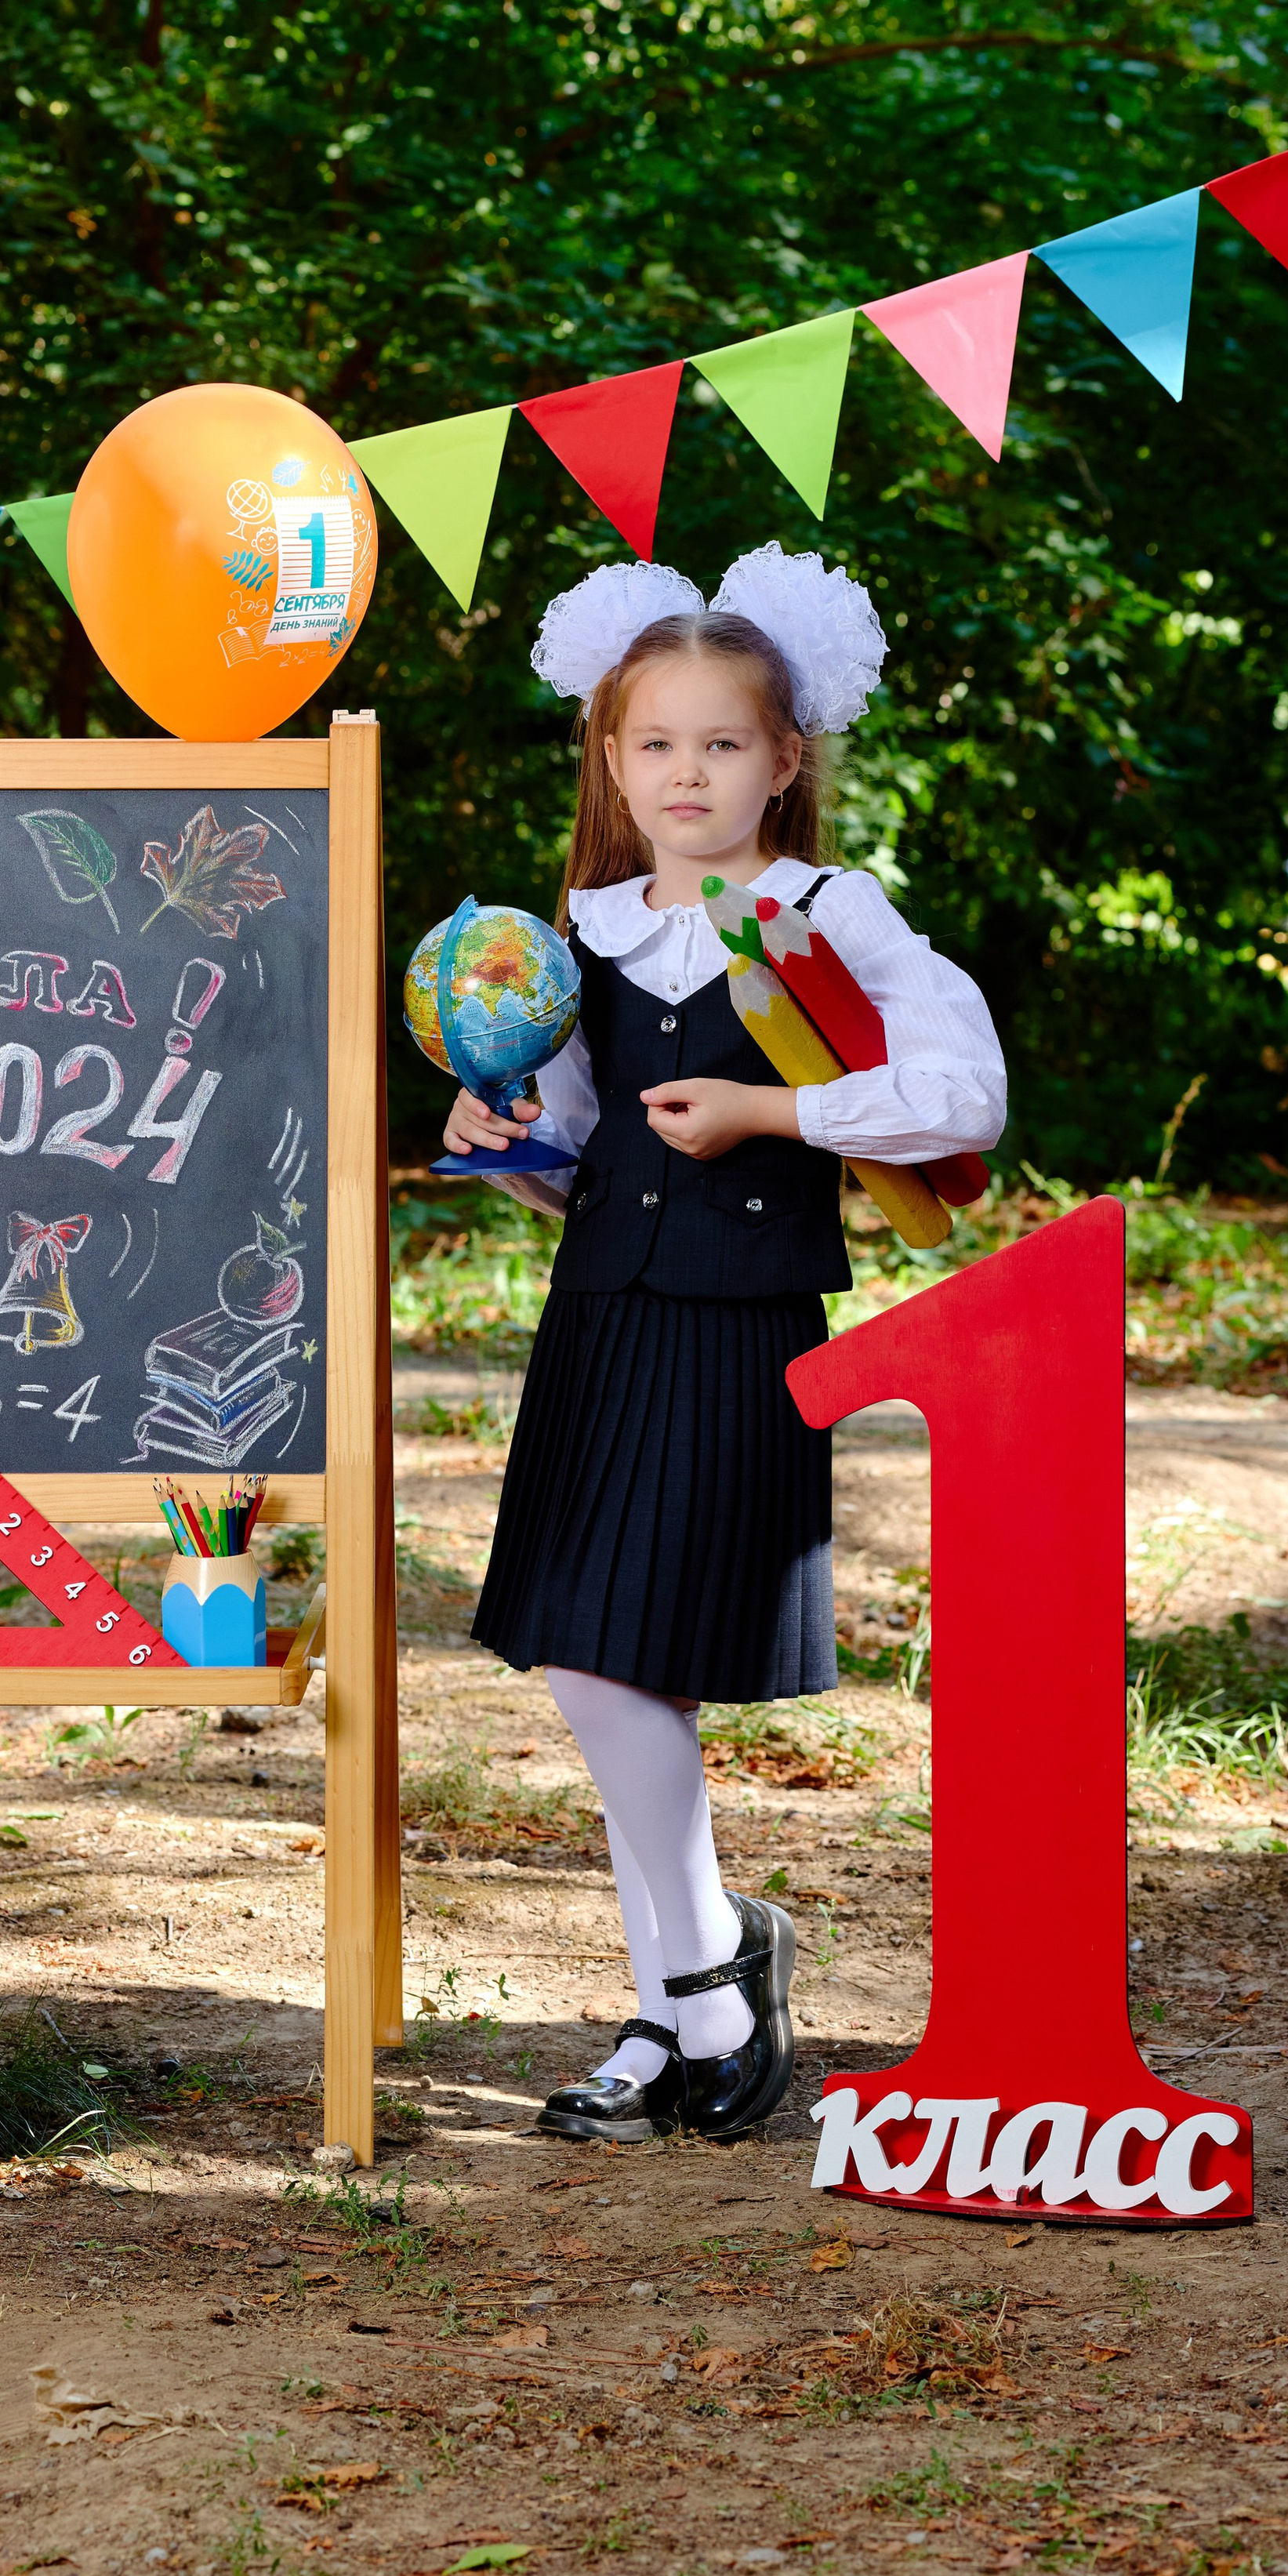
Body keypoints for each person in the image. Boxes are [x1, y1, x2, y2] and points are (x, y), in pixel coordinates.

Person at [443, 546, 1007, 2144]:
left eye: (720, 743)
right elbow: (570, 1146)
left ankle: (698, 1984)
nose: (685, 773)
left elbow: (961, 1096)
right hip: (600, 1318)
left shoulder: (824, 913)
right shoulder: (583, 930)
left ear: (783, 759)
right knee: (602, 1659)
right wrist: (498, 1127)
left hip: (739, 1321)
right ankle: (681, 1997)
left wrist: (772, 1110)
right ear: (610, 759)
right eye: (655, 744)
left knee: (626, 1663)